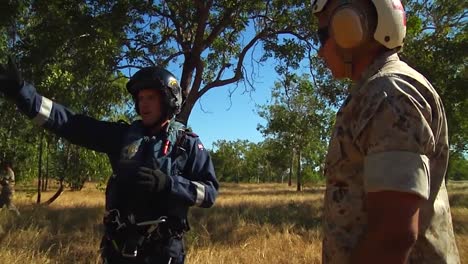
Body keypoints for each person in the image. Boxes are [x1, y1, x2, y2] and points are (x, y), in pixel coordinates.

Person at [0, 58, 219, 263]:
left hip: (163, 251)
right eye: (140, 98)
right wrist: (23, 96)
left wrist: (169, 184)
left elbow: (209, 193)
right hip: (119, 247)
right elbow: (71, 124)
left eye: (151, 97)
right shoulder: (122, 136)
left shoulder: (186, 144)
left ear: (169, 99)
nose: (144, 104)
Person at [310, 0, 460, 263]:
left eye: (322, 36)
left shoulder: (389, 95)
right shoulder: (375, 92)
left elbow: (393, 237)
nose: (320, 52)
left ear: (351, 28)